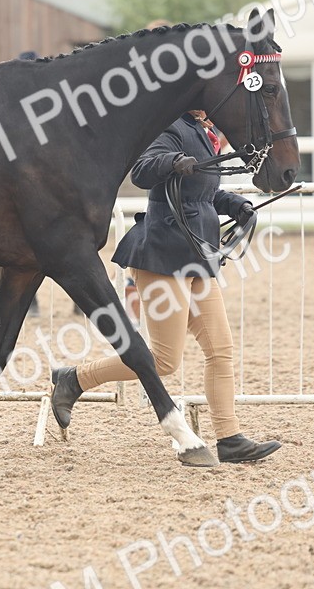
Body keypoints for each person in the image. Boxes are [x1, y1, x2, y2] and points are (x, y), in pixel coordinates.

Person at [50, 105, 282, 465]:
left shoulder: (205, 132)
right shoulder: (167, 125)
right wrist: (173, 161)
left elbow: (201, 191)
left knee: (220, 349)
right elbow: (143, 170)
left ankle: (229, 437)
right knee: (164, 360)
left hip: (197, 255)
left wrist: (236, 205)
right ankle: (74, 379)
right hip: (162, 256)